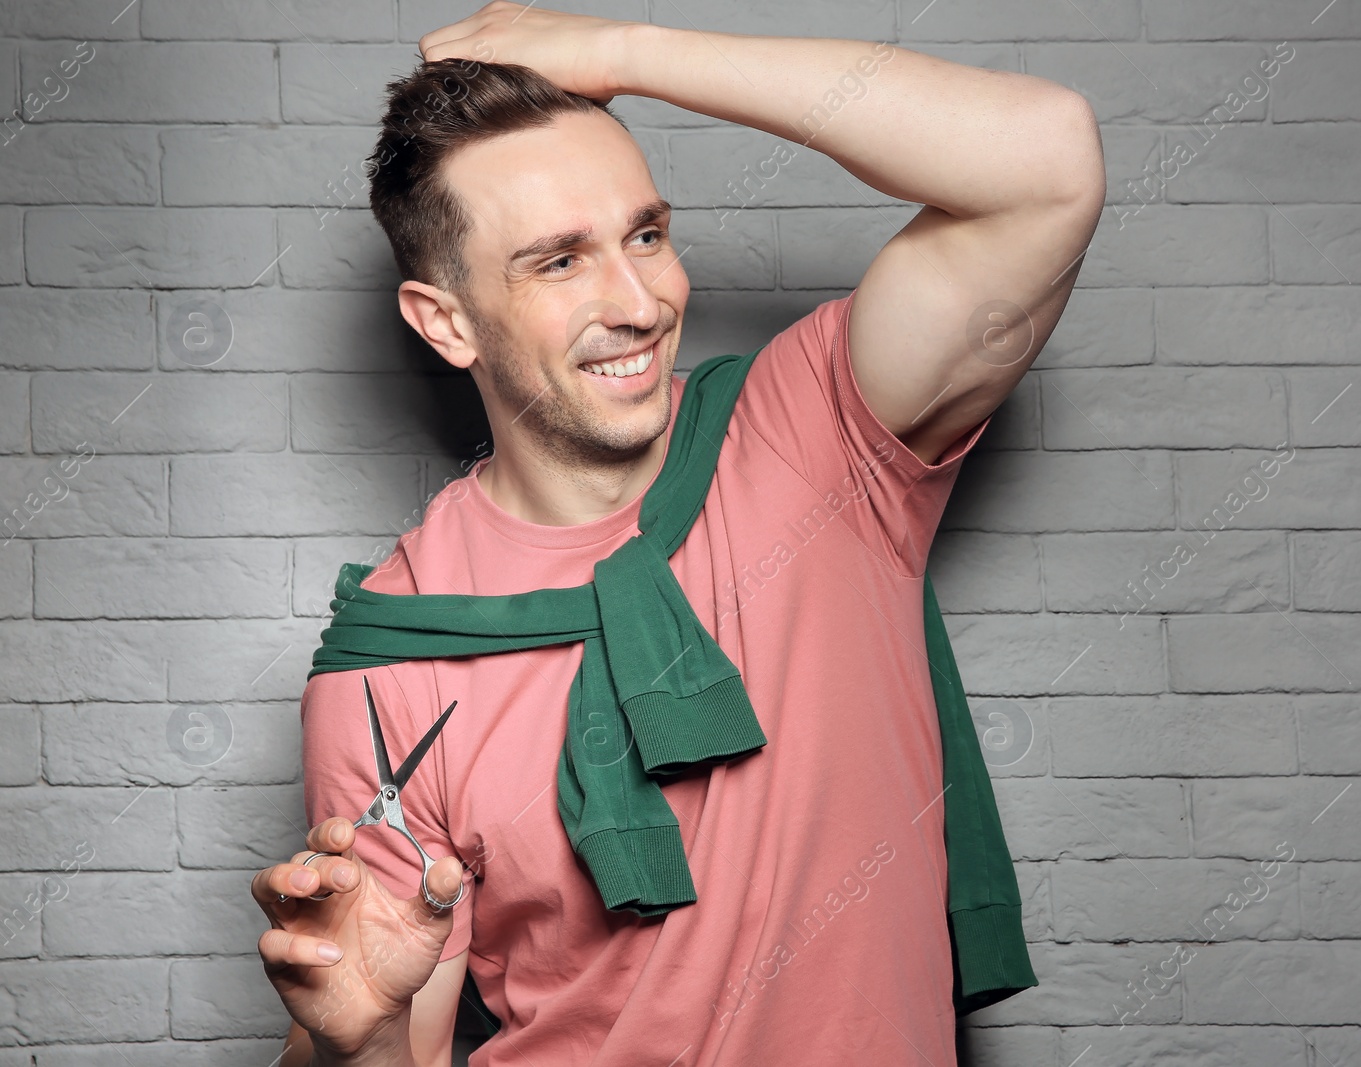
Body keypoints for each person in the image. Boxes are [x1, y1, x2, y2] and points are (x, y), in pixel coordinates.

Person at [248, 4, 1104, 1064]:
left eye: (645, 234)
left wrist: (628, 56)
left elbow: (1046, 160)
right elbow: (393, 1044)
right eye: (558, 262)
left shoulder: (818, 434)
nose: (639, 300)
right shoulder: (394, 658)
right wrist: (359, 1038)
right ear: (446, 321)